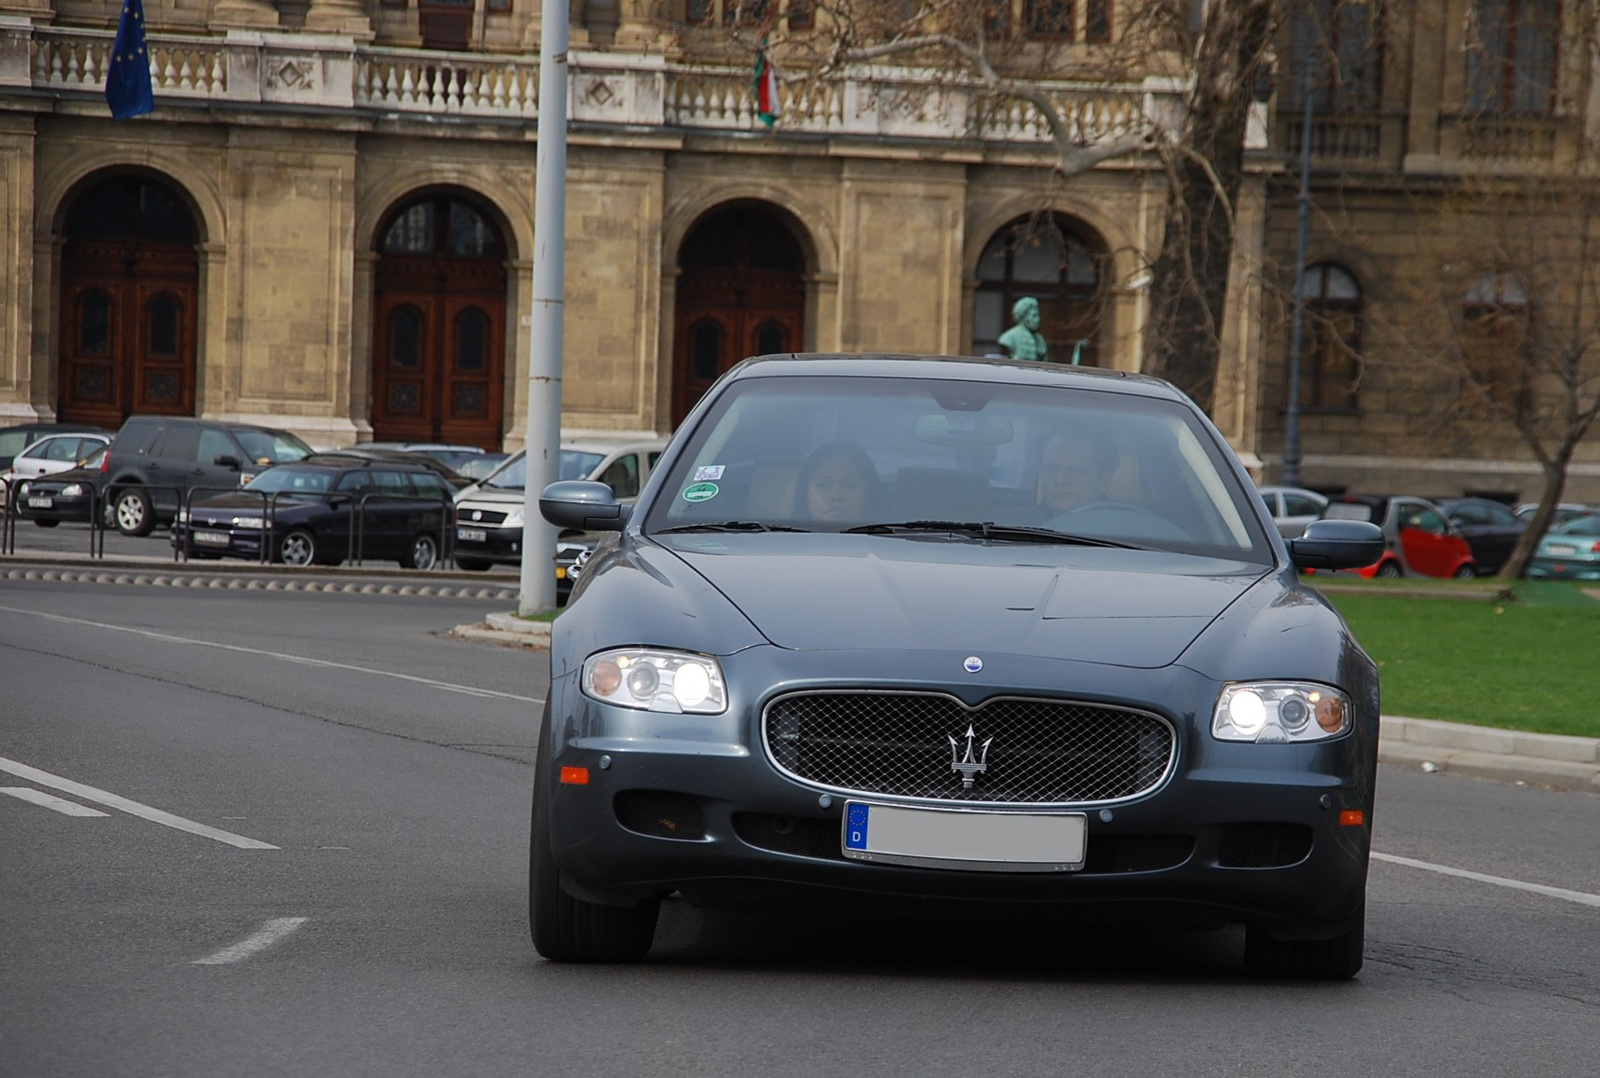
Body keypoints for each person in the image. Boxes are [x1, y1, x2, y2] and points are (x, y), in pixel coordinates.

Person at [1035, 425, 1118, 522]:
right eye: (1051, 469)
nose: (1060, 480)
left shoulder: (1125, 530)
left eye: (1076, 470)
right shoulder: (1016, 527)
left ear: (1104, 482)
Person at [793, 442, 882, 523]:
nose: (836, 496)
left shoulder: (890, 540)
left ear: (869, 491)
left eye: (849, 485)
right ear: (805, 493)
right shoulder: (783, 539)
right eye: (823, 485)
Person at [997, 296, 1049, 362]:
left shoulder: (1039, 339)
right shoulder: (1010, 336)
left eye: (1038, 316)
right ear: (1023, 317)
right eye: (1034, 316)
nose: (1037, 320)